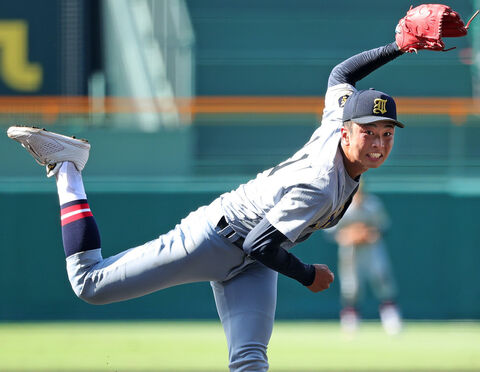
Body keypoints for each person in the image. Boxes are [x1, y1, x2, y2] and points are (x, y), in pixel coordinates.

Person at [8, 39, 406, 371]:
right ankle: (68, 166)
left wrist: (399, 46)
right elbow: (258, 244)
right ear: (345, 131)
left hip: (257, 258)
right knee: (89, 285)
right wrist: (306, 275)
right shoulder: (319, 182)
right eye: (368, 132)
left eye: (387, 133)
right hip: (216, 239)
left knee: (250, 359)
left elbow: (342, 74)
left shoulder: (336, 124)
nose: (378, 143)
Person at [325, 183, 402, 335]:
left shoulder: (373, 204)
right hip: (350, 250)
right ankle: (350, 319)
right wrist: (350, 235)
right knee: (351, 285)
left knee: (381, 277)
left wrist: (367, 233)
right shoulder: (341, 205)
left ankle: (391, 317)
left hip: (372, 248)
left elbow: (383, 227)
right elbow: (331, 232)